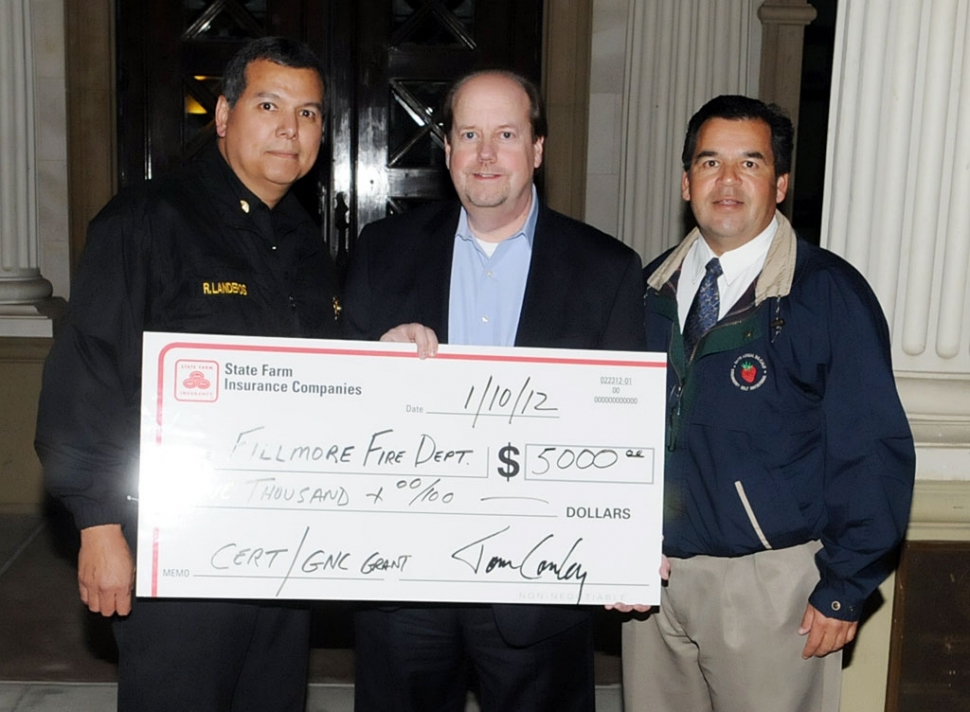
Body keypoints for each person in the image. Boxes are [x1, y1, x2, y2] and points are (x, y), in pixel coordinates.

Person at [34, 37, 339, 712]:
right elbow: (88, 373)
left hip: (282, 549)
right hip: (171, 552)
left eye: (311, 113)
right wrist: (98, 527)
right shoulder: (147, 220)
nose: (292, 128)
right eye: (270, 104)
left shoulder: (305, 245)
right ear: (225, 115)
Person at [342, 69, 646, 711]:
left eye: (506, 134)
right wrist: (373, 365)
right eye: (469, 134)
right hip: (404, 584)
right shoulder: (380, 252)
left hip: (538, 592)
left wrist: (628, 546)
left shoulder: (608, 271)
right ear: (447, 149)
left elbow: (626, 431)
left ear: (537, 149)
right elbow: (339, 410)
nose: (485, 155)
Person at [625, 94, 916, 712]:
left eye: (750, 163)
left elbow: (871, 448)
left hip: (770, 589)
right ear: (685, 182)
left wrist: (844, 587)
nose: (727, 180)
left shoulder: (826, 295)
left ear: (780, 183)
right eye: (709, 163)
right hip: (651, 584)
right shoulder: (644, 290)